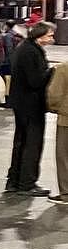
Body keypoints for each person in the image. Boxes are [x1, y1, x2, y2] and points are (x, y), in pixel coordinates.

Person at [6, 21, 55, 197]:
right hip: (30, 105)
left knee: (21, 142)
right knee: (31, 144)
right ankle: (26, 183)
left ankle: (15, 181)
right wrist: (52, 72)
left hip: (23, 104)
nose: (52, 38)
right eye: (49, 35)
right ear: (39, 35)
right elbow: (35, 80)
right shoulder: (30, 51)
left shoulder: (26, 48)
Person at [47, 62, 68, 205]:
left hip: (66, 119)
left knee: (64, 156)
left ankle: (66, 193)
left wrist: (55, 108)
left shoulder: (64, 68)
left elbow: (54, 94)